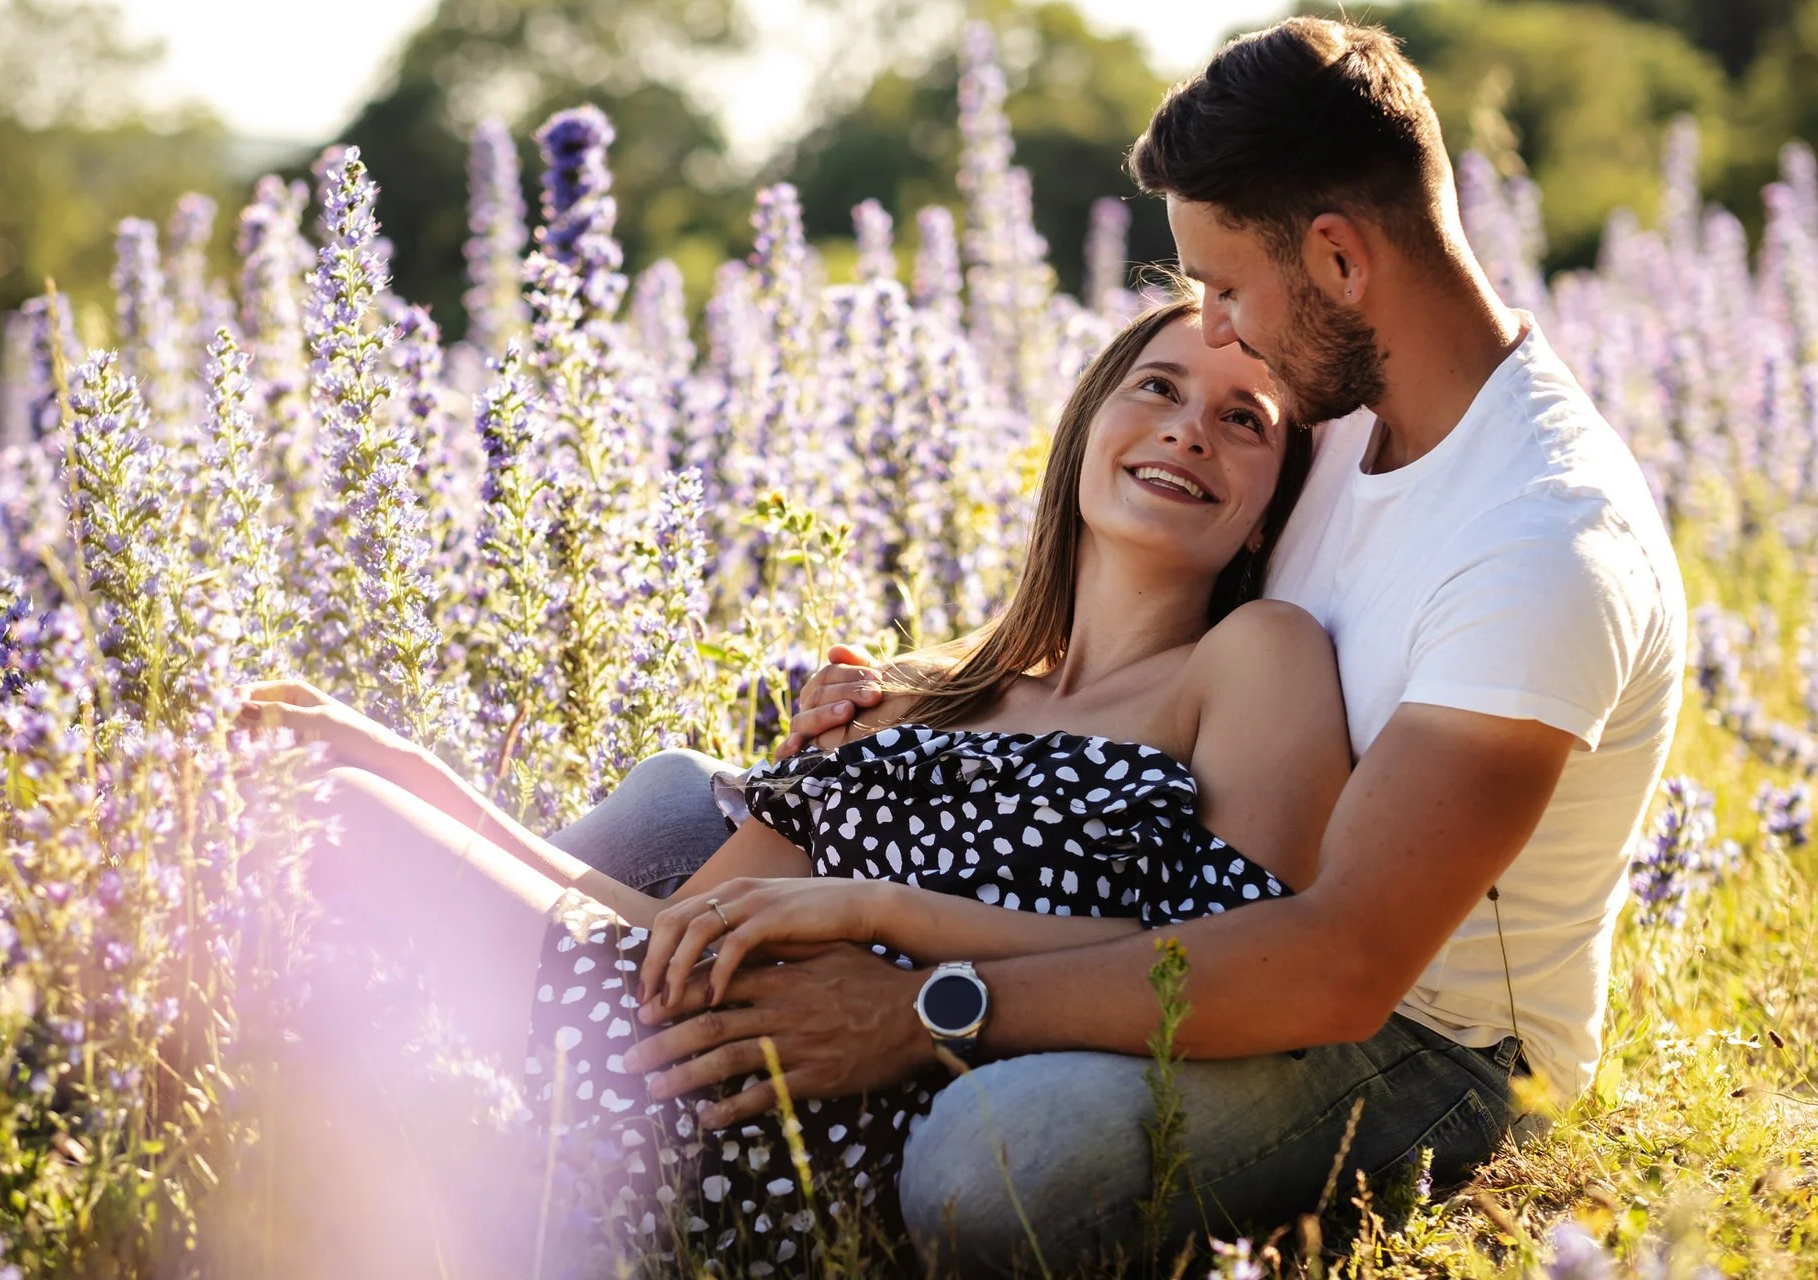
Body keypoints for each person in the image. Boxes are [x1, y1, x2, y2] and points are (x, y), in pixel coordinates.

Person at [582, 14, 1684, 1276]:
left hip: (1418, 1037)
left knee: (996, 1159)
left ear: (1338, 256)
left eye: (1227, 287)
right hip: (1191, 912)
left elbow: (1339, 965)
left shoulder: (1540, 540)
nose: (1213, 331)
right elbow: (1140, 609)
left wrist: (925, 1007)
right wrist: (922, 693)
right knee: (675, 803)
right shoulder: (1340, 406)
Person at [244, 292, 1347, 1275]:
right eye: (1158, 387)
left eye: (1243, 419)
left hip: (831, 1131)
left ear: (1269, 509)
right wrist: (414, 772)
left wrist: (881, 911)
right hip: (674, 1054)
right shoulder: (916, 699)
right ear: (1087, 428)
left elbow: (1223, 956)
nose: (1188, 428)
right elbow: (669, 933)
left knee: (324, 815)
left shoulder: (1254, 655)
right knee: (303, 783)